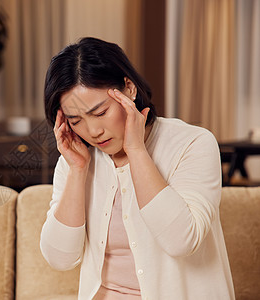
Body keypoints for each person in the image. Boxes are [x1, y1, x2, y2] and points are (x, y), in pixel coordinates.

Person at [40, 37, 235, 300]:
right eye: (76, 121)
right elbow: (60, 259)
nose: (93, 131)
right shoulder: (77, 159)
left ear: (129, 89)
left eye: (100, 113)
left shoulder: (193, 143)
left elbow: (182, 241)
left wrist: (136, 151)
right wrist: (77, 171)